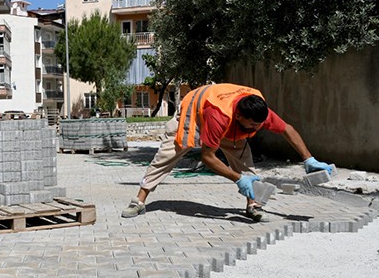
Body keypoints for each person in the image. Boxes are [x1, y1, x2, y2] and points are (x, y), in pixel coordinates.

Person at [121, 83, 333, 221]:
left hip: (229, 124)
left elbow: (287, 129)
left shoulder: (257, 112)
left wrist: (309, 159)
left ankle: (253, 204)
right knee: (168, 154)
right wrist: (237, 179)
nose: (255, 130)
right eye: (252, 125)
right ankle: (139, 200)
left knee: (244, 160)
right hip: (194, 113)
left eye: (258, 126)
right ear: (239, 116)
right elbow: (208, 157)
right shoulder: (218, 116)